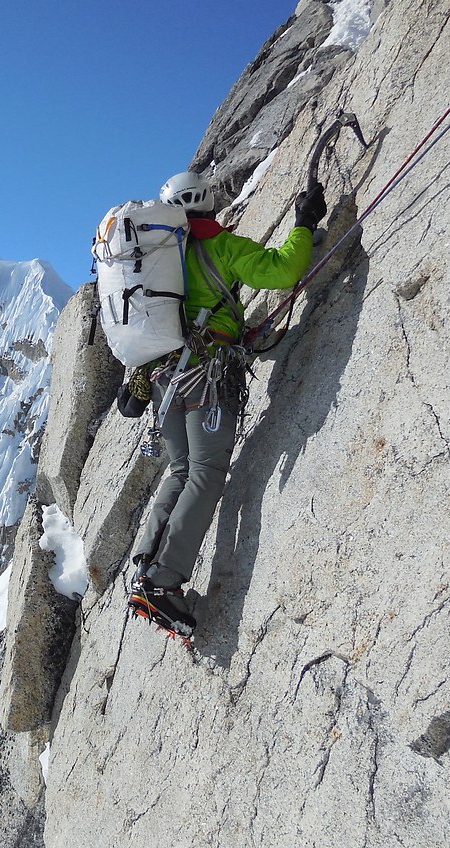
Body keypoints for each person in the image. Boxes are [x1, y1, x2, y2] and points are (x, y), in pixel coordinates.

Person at [129, 169, 327, 638]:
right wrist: (304, 223)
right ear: (207, 203)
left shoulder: (159, 259)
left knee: (179, 470)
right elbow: (282, 270)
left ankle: (147, 562)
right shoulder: (219, 246)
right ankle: (163, 580)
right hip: (206, 375)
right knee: (206, 472)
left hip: (163, 380)